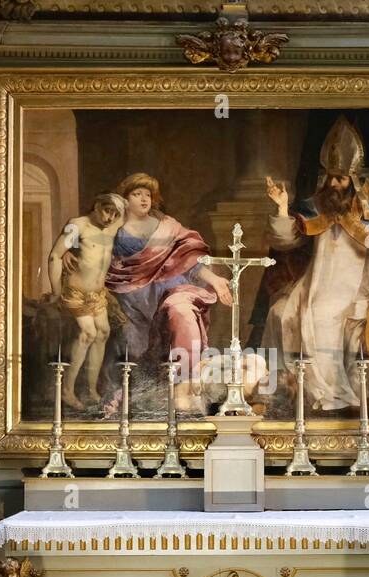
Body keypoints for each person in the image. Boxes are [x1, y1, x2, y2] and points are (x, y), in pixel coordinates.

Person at [261, 116, 369, 411]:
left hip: (357, 288)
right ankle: (292, 393)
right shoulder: (316, 206)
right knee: (281, 314)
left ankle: (329, 396)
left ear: (353, 177)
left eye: (341, 178)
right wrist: (283, 208)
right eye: (331, 177)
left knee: (322, 319)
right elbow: (289, 241)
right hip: (315, 284)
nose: (335, 184)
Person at [104, 172, 233, 410]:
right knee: (134, 347)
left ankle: (184, 392)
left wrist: (214, 278)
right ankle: (137, 398)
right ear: (125, 198)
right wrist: (68, 251)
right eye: (137, 194)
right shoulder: (113, 227)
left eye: (148, 195)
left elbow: (189, 259)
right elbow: (90, 247)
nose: (144, 199)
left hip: (168, 288)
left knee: (180, 321)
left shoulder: (167, 226)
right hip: (130, 296)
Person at [47, 193, 126, 408]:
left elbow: (131, 208)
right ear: (97, 205)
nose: (110, 217)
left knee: (103, 332)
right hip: (76, 292)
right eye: (107, 211)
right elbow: (55, 255)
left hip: (97, 295)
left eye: (115, 214)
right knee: (87, 333)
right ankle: (67, 391)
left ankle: (91, 390)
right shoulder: (78, 225)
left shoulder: (113, 226)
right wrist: (55, 291)